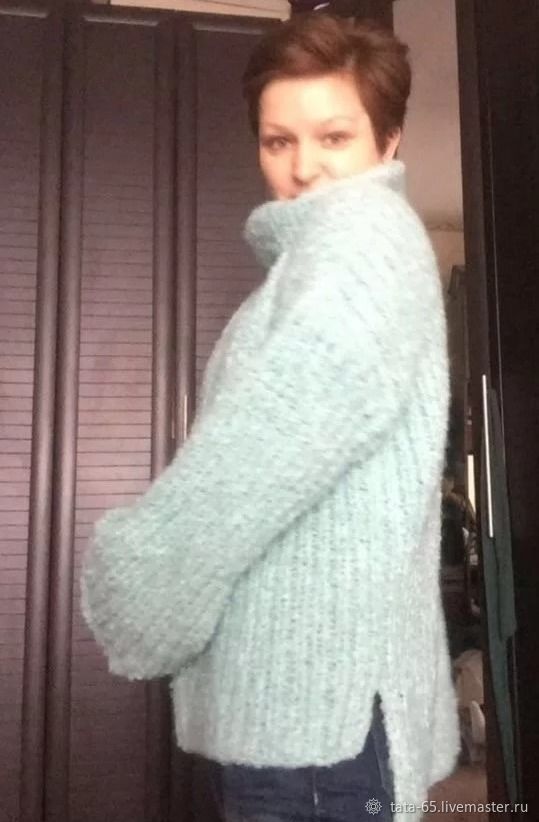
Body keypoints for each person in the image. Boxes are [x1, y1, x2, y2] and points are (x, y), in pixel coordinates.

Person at [80, 13, 460, 822]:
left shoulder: (361, 239)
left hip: (315, 735)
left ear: (387, 141)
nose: (304, 167)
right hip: (310, 718)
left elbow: (261, 451)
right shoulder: (326, 258)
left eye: (333, 136)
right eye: (277, 141)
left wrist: (136, 575)